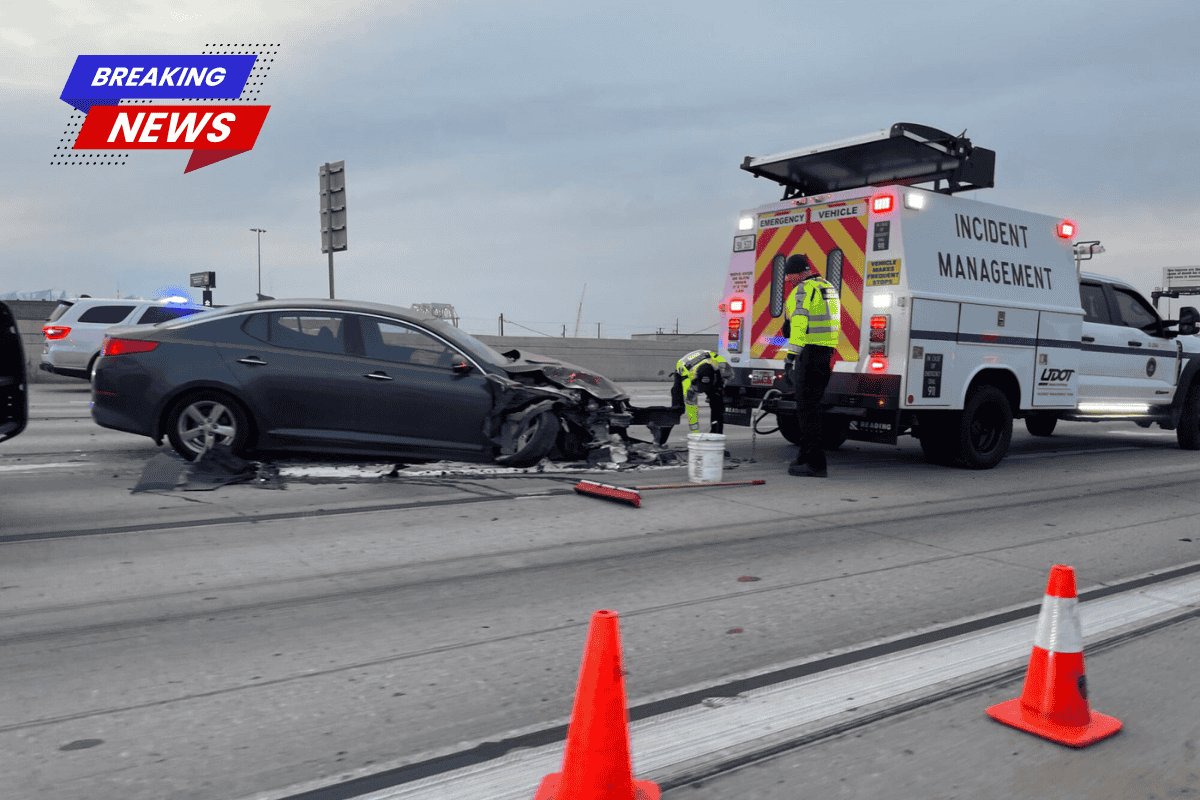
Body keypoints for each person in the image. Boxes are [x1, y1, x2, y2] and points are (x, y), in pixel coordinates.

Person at [782, 254, 840, 477]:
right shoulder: (828, 287)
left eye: (789, 274)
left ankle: (815, 463)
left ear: (799, 272)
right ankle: (804, 456)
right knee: (811, 407)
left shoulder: (803, 289)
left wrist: (790, 357)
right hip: (826, 353)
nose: (787, 279)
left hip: (810, 353)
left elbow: (799, 326)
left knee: (807, 410)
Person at [662, 349, 732, 445]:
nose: (702, 391)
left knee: (717, 404)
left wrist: (720, 387)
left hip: (709, 368)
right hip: (683, 371)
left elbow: (730, 376)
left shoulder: (721, 365)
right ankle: (660, 440)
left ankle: (716, 439)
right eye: (701, 388)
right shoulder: (689, 382)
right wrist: (695, 435)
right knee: (677, 409)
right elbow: (692, 411)